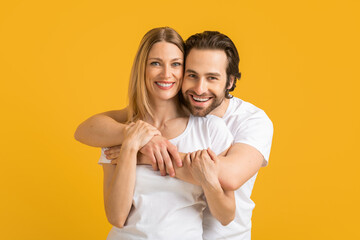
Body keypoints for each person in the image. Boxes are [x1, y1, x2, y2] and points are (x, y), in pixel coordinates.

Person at [75, 30, 274, 240]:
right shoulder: (128, 131)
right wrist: (134, 140)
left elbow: (230, 178)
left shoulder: (246, 121)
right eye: (193, 75)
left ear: (230, 82)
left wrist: (143, 153)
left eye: (212, 78)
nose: (199, 88)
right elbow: (87, 128)